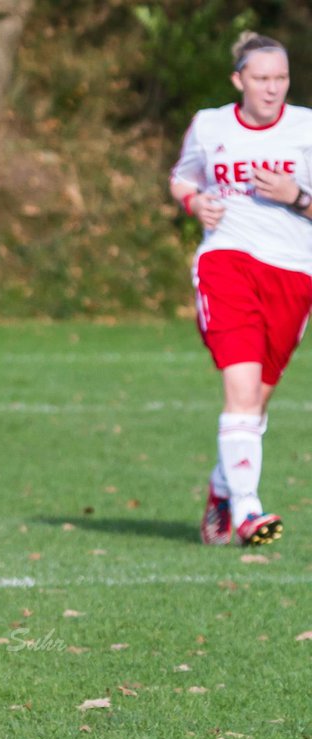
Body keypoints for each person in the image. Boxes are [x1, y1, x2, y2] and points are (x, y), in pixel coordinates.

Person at [169, 31, 312, 547]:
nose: (272, 89)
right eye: (261, 79)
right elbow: (183, 178)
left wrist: (296, 196)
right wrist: (194, 204)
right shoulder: (209, 126)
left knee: (256, 401)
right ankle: (250, 510)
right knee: (242, 389)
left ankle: (222, 486)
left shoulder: (306, 130)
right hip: (226, 263)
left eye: (281, 78)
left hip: (294, 274)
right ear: (238, 80)